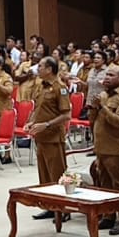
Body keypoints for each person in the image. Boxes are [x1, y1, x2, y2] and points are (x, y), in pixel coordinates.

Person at [88, 64, 119, 235]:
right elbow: (93, 120)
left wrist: (103, 107)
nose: (106, 78)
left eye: (111, 75)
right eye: (106, 74)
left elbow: (118, 122)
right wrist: (94, 108)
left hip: (116, 148)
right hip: (101, 146)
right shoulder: (103, 95)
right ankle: (109, 215)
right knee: (105, 183)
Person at [24, 56, 72, 188]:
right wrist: (31, 122)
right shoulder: (41, 86)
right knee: (44, 176)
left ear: (49, 69)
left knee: (56, 175)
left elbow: (66, 115)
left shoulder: (60, 87)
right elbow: (38, 108)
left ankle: (59, 202)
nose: (37, 69)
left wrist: (46, 125)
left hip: (53, 138)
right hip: (41, 136)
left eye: (40, 66)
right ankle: (47, 200)